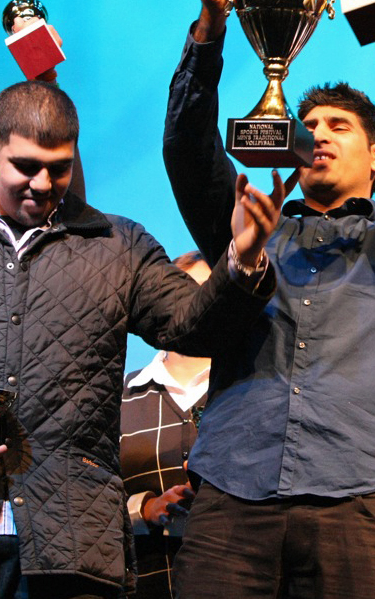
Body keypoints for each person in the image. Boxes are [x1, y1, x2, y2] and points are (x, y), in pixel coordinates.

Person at [0, 80, 282, 599]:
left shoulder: (120, 245)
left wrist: (242, 259)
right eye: (26, 166)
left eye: (60, 167)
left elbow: (195, 329)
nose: (43, 183)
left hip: (69, 548)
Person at [162, 0, 375, 598]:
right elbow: (186, 146)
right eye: (309, 123)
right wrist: (211, 26)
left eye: (339, 125)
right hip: (229, 499)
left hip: (356, 505)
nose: (319, 133)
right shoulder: (249, 229)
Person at [121, 251, 211, 599]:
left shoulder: (248, 394)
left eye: (209, 292)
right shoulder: (121, 397)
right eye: (183, 291)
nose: (197, 306)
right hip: (145, 580)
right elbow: (86, 494)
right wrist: (143, 509)